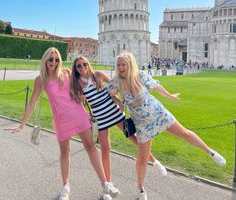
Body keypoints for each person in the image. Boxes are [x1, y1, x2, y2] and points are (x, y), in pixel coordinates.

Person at [108, 52, 226, 200]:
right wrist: (118, 101)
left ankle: (210, 152)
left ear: (130, 64)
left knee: (184, 133)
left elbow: (157, 86)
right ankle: (140, 189)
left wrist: (170, 96)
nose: (120, 67)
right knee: (142, 158)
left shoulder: (140, 75)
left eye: (123, 64)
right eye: (118, 65)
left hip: (157, 112)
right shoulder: (116, 81)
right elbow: (109, 93)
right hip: (142, 122)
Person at [5, 47, 116, 200]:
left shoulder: (66, 72)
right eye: (51, 59)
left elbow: (82, 86)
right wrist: (21, 125)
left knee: (91, 147)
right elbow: (31, 103)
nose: (54, 62)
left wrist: (82, 96)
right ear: (45, 60)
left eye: (56, 59)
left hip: (78, 115)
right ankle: (66, 187)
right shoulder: (40, 80)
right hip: (61, 120)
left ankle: (105, 185)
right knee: (65, 153)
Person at [69, 56, 167, 196]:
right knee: (105, 150)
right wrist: (84, 109)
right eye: (79, 66)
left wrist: (120, 100)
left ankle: (154, 161)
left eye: (84, 64)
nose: (82, 67)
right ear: (76, 69)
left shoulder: (98, 75)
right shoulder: (77, 83)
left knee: (135, 139)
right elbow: (77, 102)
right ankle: (108, 187)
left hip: (114, 111)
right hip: (100, 117)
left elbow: (118, 85)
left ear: (88, 64)